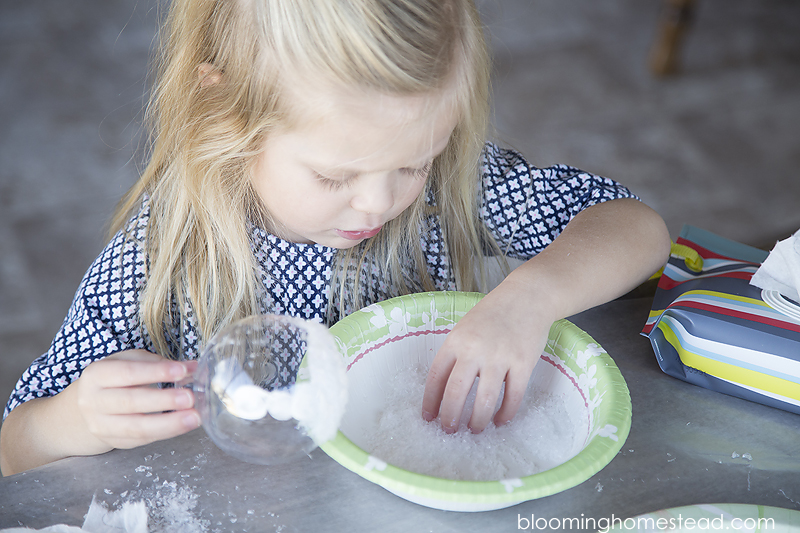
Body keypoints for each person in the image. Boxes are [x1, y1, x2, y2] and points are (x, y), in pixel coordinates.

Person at [0, 0, 670, 475]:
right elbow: (15, 450)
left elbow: (638, 228)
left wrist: (529, 298)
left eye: (413, 160)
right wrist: (74, 420)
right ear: (225, 110)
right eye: (333, 174)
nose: (380, 200)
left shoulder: (447, 191)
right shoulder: (160, 258)